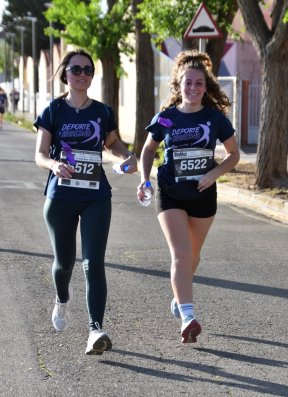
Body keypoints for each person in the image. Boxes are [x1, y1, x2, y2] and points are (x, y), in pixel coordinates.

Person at [34, 49, 137, 355]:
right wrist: (53, 165)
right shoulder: (53, 111)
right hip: (61, 196)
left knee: (93, 263)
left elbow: (112, 142)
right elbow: (40, 154)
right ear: (65, 74)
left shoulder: (103, 112)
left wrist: (127, 156)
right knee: (64, 264)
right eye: (76, 69)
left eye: (88, 70)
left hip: (95, 195)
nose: (82, 74)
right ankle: (62, 299)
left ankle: (95, 330)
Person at [138, 50, 239, 343]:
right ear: (178, 86)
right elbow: (147, 149)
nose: (192, 88)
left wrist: (213, 173)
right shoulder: (167, 119)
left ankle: (178, 298)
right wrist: (145, 179)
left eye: (198, 83)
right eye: (187, 83)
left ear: (205, 88)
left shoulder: (213, 119)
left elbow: (234, 155)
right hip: (170, 192)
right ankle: (187, 316)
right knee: (181, 254)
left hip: (203, 194)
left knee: (193, 256)